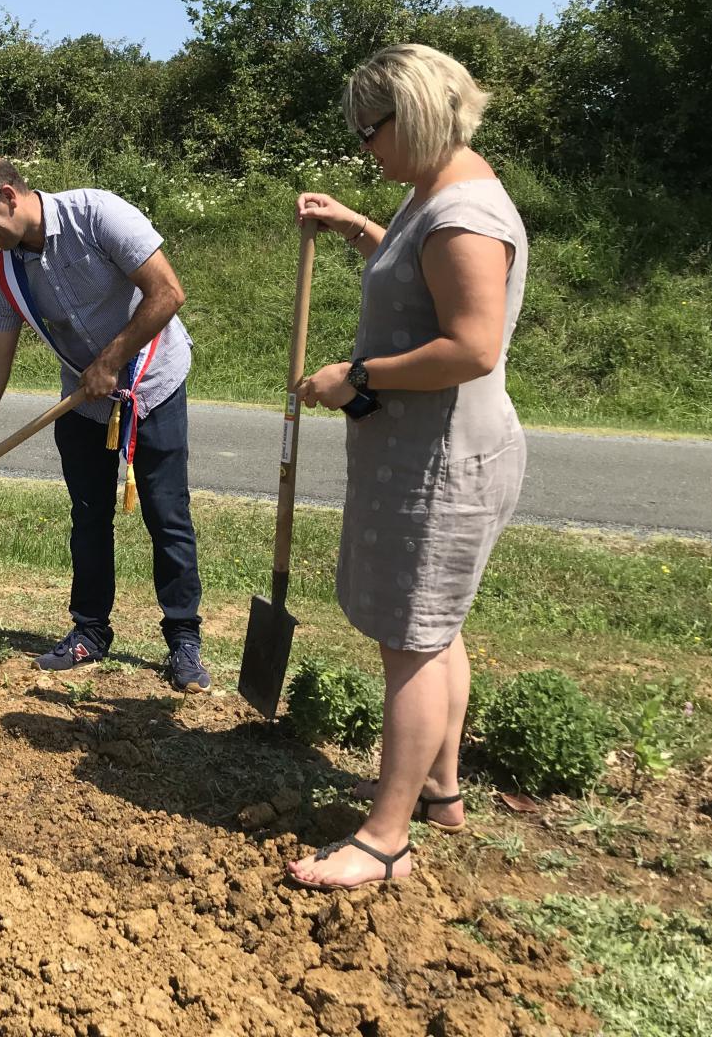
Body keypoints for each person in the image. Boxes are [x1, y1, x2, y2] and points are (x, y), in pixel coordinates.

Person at [285, 44, 528, 889]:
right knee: (436, 631)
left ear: (415, 113)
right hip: (428, 451)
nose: (364, 145)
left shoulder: (462, 213)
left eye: (369, 127)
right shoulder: (437, 197)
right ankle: (439, 791)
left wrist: (352, 377)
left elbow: (470, 344)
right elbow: (423, 281)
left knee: (411, 643)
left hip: (440, 463)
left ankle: (385, 841)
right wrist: (361, 229)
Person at [0, 154, 210, 692]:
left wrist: (112, 361)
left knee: (166, 516)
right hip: (84, 403)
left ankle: (183, 640)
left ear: (9, 197)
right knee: (89, 519)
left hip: (151, 387)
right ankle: (90, 630)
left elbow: (168, 292)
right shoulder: (7, 271)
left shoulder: (98, 215)